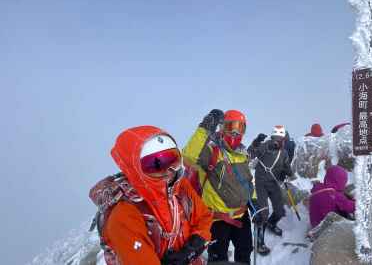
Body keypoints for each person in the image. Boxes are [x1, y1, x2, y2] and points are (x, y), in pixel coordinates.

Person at [89, 126, 213, 265]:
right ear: (135, 168)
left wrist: (193, 246)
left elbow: (203, 217)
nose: (169, 171)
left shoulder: (180, 186)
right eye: (155, 165)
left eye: (172, 159)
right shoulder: (124, 216)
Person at [182, 109, 254, 264]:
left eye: (240, 127)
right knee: (218, 259)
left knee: (245, 254)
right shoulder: (211, 150)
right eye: (231, 127)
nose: (235, 132)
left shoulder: (242, 154)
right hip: (218, 220)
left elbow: (248, 182)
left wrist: (255, 203)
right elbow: (188, 157)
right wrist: (205, 128)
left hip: (242, 217)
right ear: (222, 128)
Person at [248, 125, 295, 255]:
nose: (278, 141)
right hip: (261, 183)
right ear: (272, 137)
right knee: (263, 213)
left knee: (280, 211)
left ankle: (271, 223)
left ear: (284, 140)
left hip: (274, 183)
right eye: (276, 138)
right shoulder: (265, 146)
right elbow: (251, 153)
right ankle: (259, 242)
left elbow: (286, 167)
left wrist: (287, 173)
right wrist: (256, 142)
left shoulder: (284, 153)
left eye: (281, 139)